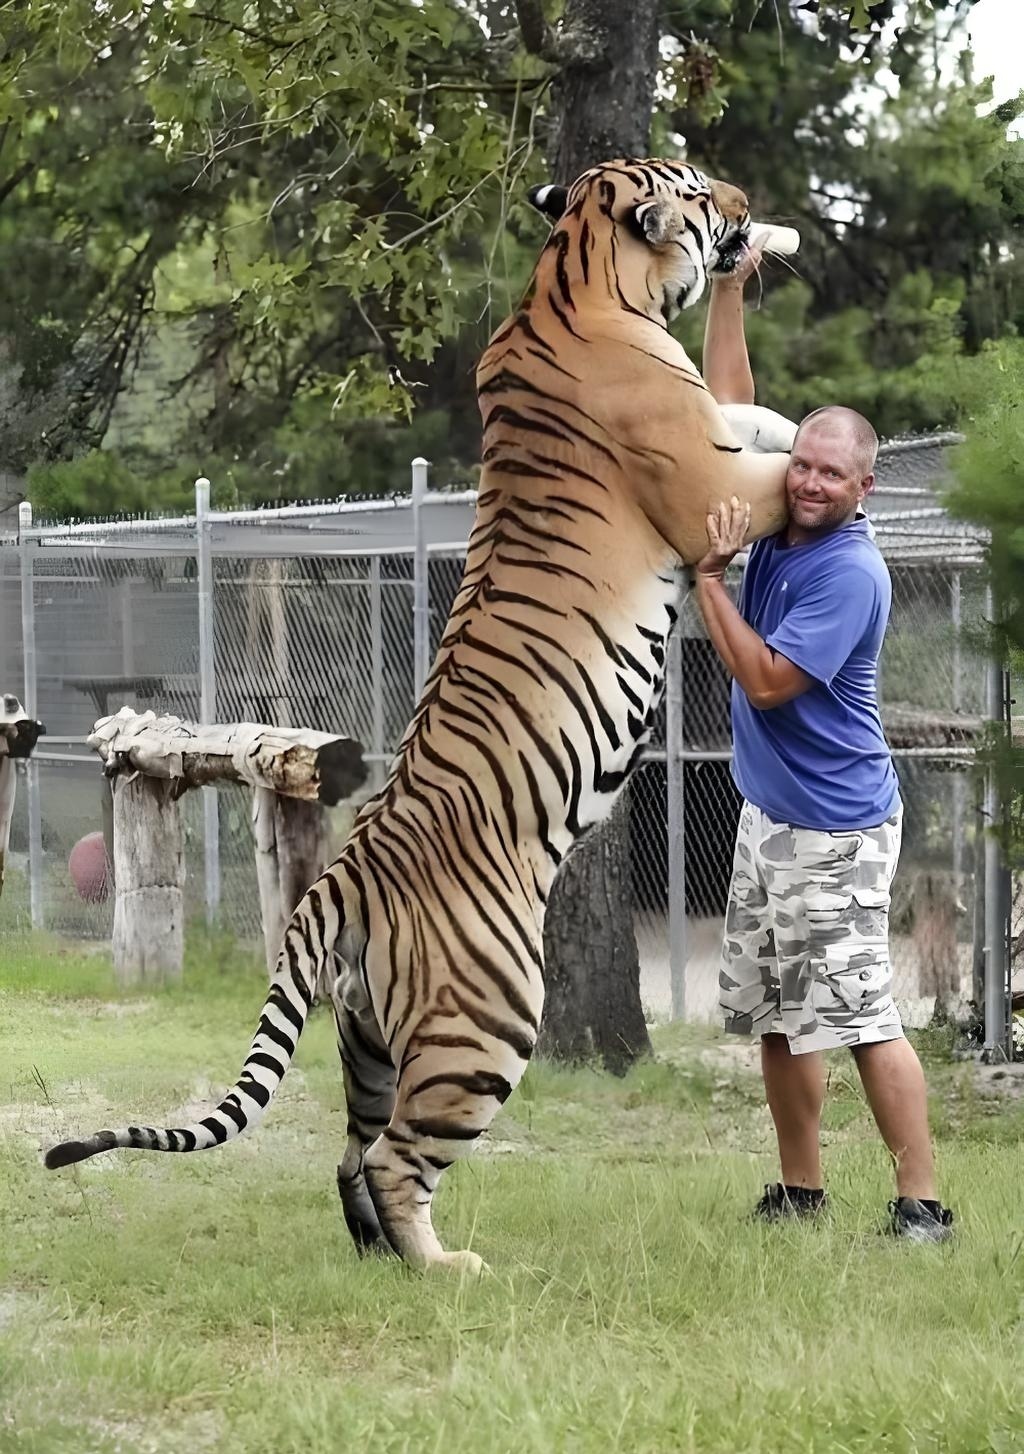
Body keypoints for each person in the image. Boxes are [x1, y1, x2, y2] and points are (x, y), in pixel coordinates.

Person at [694, 238, 954, 1243]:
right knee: (775, 1012)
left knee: (858, 1019)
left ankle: (921, 1204)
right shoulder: (778, 511)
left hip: (835, 831)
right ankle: (799, 1190)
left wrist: (710, 579)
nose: (807, 481)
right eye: (800, 461)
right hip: (771, 819)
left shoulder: (848, 571)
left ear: (863, 488)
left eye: (829, 472)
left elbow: (764, 682)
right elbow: (727, 410)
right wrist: (727, 287)